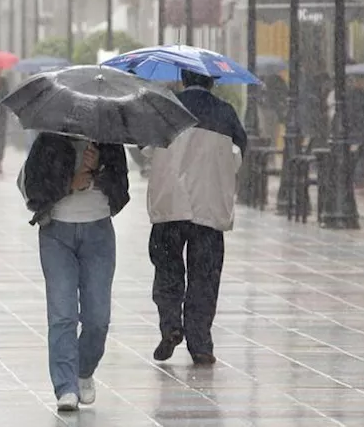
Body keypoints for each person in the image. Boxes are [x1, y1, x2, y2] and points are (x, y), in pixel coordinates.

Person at [21, 132, 130, 411]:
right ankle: (65, 386)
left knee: (97, 319)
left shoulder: (108, 141)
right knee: (62, 314)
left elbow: (122, 191)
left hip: (98, 233)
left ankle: (83, 370)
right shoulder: (48, 140)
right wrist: (69, 183)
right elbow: (33, 188)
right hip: (57, 233)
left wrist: (98, 171)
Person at [146, 69, 246, 367]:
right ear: (211, 82)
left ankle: (171, 325)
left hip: (169, 204)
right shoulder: (225, 113)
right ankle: (200, 342)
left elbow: (147, 151)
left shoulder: (167, 109)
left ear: (182, 78)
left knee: (167, 269)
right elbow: (238, 152)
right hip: (208, 206)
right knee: (204, 276)